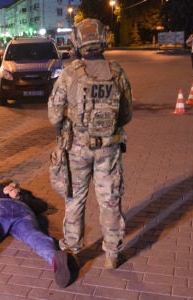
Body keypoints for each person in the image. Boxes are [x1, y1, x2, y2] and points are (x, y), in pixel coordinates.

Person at [48, 18, 132, 269]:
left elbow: (53, 115)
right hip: (109, 149)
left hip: (77, 148)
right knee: (110, 200)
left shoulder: (69, 73)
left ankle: (72, 250)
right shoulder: (117, 71)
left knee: (75, 199)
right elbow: (126, 114)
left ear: (77, 41)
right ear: (102, 39)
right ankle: (112, 254)